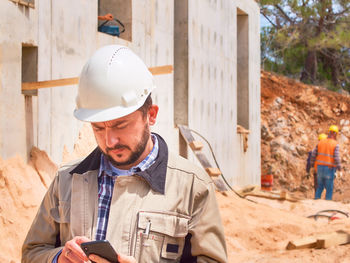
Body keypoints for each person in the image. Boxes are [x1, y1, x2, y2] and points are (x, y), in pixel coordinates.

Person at [22, 45, 227, 263]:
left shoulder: (192, 187)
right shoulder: (66, 179)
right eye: (98, 128)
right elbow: (32, 252)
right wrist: (57, 259)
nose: (110, 141)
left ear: (151, 115)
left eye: (121, 125)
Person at [311, 125, 341, 200]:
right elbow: (336, 157)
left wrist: (312, 164)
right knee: (329, 188)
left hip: (319, 168)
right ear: (335, 134)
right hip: (329, 168)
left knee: (319, 187)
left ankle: (316, 201)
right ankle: (328, 204)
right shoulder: (335, 144)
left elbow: (313, 154)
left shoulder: (321, 142)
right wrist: (339, 167)